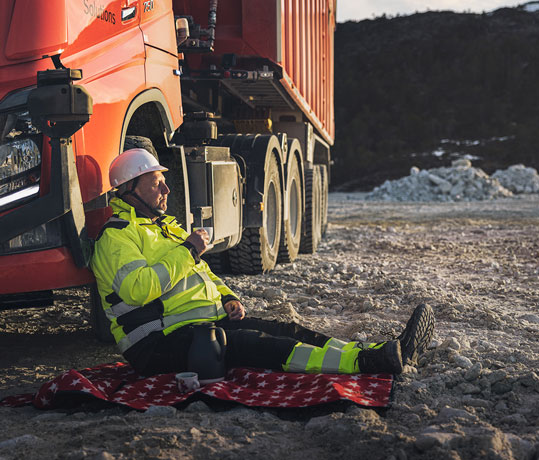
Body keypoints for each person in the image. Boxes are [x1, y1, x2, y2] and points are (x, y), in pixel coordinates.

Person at [90, 148, 435, 378]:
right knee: (264, 346)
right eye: (155, 183)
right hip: (157, 346)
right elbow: (138, 290)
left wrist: (227, 297)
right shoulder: (116, 237)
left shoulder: (162, 228)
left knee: (288, 330)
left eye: (164, 181)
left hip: (198, 326)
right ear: (129, 189)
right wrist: (189, 249)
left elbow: (201, 273)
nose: (166, 189)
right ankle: (369, 364)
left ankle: (377, 350)